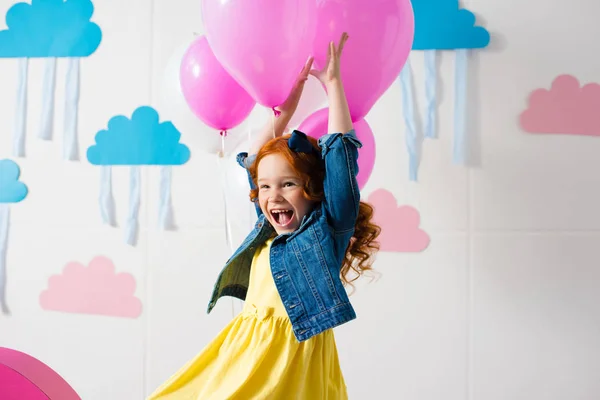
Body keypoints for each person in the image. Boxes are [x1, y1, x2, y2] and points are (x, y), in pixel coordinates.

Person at [148, 32, 381, 400]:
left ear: (312, 190)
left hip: (289, 368)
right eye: (266, 188)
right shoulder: (268, 231)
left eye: (288, 184)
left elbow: (339, 159)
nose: (273, 196)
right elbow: (255, 159)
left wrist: (334, 87)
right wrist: (284, 110)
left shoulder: (326, 233)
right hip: (245, 356)